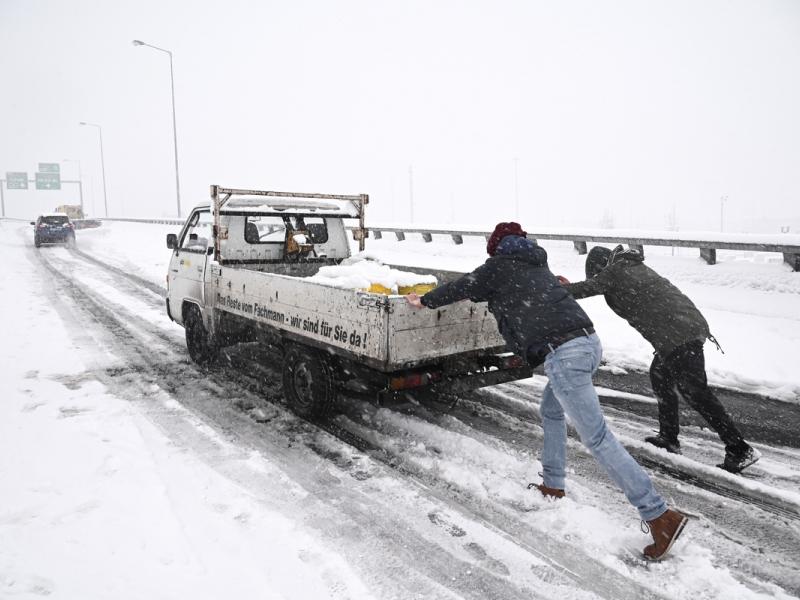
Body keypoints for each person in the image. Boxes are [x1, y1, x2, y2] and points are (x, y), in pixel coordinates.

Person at [406, 222, 688, 561]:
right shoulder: (537, 262)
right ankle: (553, 486)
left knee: (598, 438)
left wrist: (423, 300)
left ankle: (658, 515)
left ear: (496, 246)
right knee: (551, 411)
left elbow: (462, 287)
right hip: (586, 342)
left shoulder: (498, 267)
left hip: (564, 354)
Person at [560, 245, 760, 474]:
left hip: (679, 334)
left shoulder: (617, 270)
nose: (598, 277)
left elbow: (586, 289)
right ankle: (669, 438)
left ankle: (738, 447)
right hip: (678, 331)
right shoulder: (631, 267)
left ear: (601, 266)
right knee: (661, 378)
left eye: (597, 273)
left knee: (696, 392)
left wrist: (552, 288)